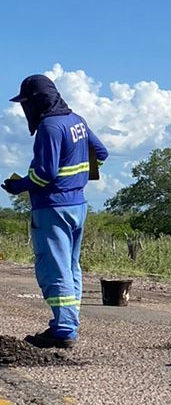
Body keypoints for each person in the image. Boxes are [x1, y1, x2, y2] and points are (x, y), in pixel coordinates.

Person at [3, 74, 109, 348]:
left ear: (37, 101)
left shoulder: (49, 127)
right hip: (77, 206)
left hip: (52, 208)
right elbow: (102, 152)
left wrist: (18, 186)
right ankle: (69, 324)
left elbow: (45, 173)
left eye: (25, 103)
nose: (25, 109)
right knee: (71, 267)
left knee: (54, 268)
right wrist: (76, 173)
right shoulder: (77, 121)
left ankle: (63, 330)